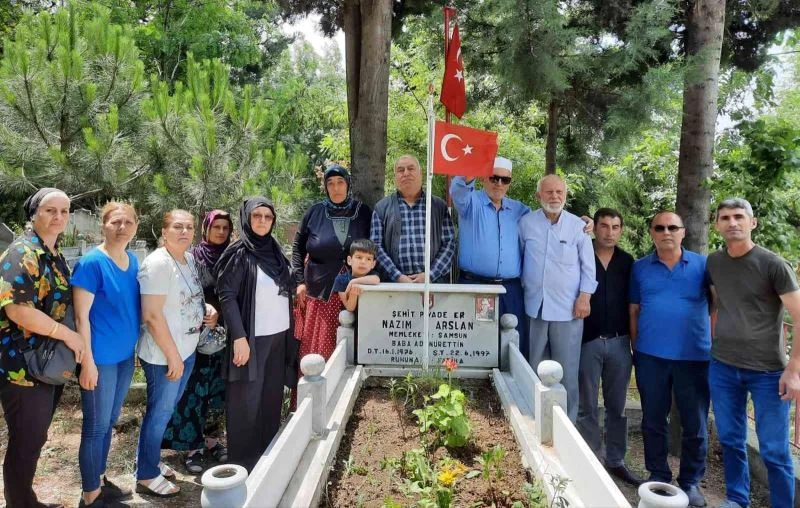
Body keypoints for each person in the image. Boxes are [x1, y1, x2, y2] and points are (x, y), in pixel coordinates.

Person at [707, 199, 800, 508]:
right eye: (725, 218)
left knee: (774, 450)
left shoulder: (773, 264)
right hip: (723, 366)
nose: (732, 222)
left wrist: (794, 370)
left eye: (739, 216)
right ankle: (737, 499)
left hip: (768, 372)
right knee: (731, 439)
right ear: (717, 225)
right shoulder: (714, 263)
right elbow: (718, 302)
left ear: (752, 222)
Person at [0, 188, 84, 508]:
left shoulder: (53, 254)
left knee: (34, 437)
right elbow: (17, 310)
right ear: (34, 213)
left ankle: (24, 500)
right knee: (26, 440)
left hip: (44, 362)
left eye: (64, 211)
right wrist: (68, 335)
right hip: (21, 366)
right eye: (50, 210)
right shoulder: (22, 252)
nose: (58, 217)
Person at [629, 211, 710, 507]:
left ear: (683, 232)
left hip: (694, 358)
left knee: (695, 423)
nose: (666, 232)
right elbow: (633, 310)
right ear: (652, 232)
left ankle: (690, 481)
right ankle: (659, 475)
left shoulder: (704, 266)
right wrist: (637, 348)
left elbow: (717, 307)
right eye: (660, 227)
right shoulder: (639, 268)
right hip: (651, 357)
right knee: (653, 419)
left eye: (672, 227)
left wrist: (712, 344)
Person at [135, 210, 218, 498]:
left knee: (165, 411)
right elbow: (152, 315)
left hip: (186, 350)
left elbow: (188, 297)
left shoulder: (188, 259)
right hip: (164, 355)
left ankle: (149, 460)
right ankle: (146, 474)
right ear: (164, 231)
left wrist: (207, 308)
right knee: (159, 413)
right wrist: (173, 356)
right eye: (178, 227)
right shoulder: (158, 263)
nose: (184, 232)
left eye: (189, 227)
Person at [216, 197, 299, 472]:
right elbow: (227, 296)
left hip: (278, 335)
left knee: (270, 398)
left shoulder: (274, 250)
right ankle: (243, 465)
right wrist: (239, 337)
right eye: (257, 216)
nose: (263, 221)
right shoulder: (239, 253)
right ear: (246, 218)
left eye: (268, 216)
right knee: (246, 401)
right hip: (251, 338)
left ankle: (267, 460)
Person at [72, 202, 140, 507]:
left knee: (109, 421)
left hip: (124, 357)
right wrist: (87, 362)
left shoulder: (133, 261)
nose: (122, 227)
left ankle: (98, 481)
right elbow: (81, 318)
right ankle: (90, 497)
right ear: (103, 226)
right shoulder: (91, 263)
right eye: (115, 222)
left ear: (136, 226)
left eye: (128, 222)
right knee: (96, 426)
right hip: (99, 358)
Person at [519, 174, 596, 422]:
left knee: (567, 371)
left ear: (565, 195)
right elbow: (520, 258)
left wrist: (585, 297)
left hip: (568, 310)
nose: (554, 197)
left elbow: (589, 267)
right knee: (535, 367)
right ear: (538, 195)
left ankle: (568, 424)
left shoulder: (578, 227)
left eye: (559, 192)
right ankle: (535, 420)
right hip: (535, 307)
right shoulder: (526, 223)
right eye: (549, 192)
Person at [162, 210, 233, 473]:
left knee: (217, 392)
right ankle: (193, 447)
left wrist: (222, 317)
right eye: (216, 227)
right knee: (194, 392)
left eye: (225, 228)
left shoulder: (233, 258)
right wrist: (206, 312)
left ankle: (212, 440)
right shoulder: (193, 259)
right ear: (206, 229)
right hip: (195, 337)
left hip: (223, 337)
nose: (221, 232)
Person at [576, 208, 642, 487]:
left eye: (615, 227)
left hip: (619, 342)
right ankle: (589, 460)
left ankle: (615, 460)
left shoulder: (627, 262)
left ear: (621, 230)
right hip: (587, 341)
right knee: (586, 406)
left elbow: (633, 305)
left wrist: (634, 344)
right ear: (595, 227)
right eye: (604, 226)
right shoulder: (580, 252)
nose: (609, 232)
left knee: (617, 406)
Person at [293, 165, 372, 361]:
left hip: (354, 289)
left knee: (353, 344)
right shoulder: (314, 212)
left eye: (340, 182)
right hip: (319, 290)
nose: (336, 188)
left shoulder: (363, 212)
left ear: (348, 184)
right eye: (330, 183)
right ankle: (315, 381)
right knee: (317, 346)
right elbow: (297, 248)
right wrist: (300, 282)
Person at [450, 156, 530, 351]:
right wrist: (475, 164)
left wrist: (581, 224)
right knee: (477, 346)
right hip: (477, 287)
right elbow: (458, 189)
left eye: (505, 179)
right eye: (494, 177)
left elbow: (546, 222)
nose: (499, 183)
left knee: (513, 347)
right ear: (484, 178)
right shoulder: (470, 203)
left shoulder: (520, 210)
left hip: (510, 290)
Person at [371, 155, 455, 284]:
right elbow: (376, 246)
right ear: (395, 177)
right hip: (394, 286)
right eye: (400, 170)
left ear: (421, 174)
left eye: (411, 168)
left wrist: (430, 275)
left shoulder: (438, 206)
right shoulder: (381, 208)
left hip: (433, 285)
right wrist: (397, 276)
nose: (406, 173)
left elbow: (449, 244)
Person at [332, 239, 380, 313]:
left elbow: (376, 280)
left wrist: (354, 281)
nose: (363, 262)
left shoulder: (372, 275)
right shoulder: (341, 280)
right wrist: (353, 295)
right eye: (359, 257)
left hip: (370, 314)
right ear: (349, 260)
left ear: (373, 264)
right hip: (351, 317)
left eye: (368, 259)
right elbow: (349, 308)